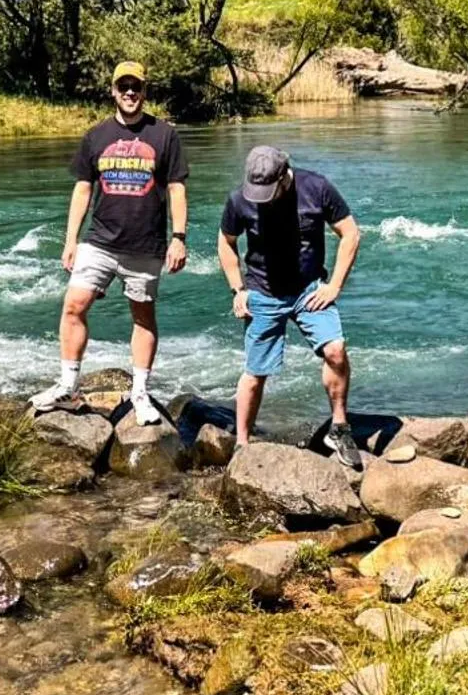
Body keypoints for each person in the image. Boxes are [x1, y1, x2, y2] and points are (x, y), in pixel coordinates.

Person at [30, 61, 190, 424]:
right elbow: (83, 187)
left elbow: (178, 187)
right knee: (74, 305)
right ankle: (68, 385)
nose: (130, 92)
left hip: (146, 245)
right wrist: (70, 239)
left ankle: (140, 392)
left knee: (143, 317)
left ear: (145, 91)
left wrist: (179, 237)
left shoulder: (164, 135)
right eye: (124, 86)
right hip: (99, 241)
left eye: (136, 86)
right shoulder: (96, 136)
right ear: (113, 91)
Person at [216, 144, 364, 466]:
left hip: (309, 289)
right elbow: (226, 242)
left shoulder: (317, 188)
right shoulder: (239, 199)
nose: (261, 197)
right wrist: (237, 290)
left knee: (336, 351)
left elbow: (350, 234)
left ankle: (339, 428)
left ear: (285, 176)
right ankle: (241, 445)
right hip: (263, 293)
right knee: (255, 373)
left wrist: (335, 285)